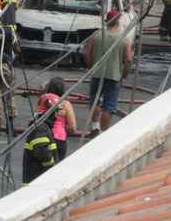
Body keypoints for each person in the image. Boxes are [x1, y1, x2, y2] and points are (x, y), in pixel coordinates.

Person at [82, 9, 133, 137]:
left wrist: (91, 67)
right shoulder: (124, 39)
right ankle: (103, 135)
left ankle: (95, 128)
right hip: (114, 76)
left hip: (97, 74)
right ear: (118, 21)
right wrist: (124, 73)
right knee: (108, 107)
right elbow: (128, 59)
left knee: (95, 101)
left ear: (106, 21)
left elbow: (86, 53)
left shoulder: (96, 35)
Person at [40, 77, 77, 161]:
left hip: (42, 137)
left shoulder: (42, 100)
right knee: (56, 167)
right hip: (58, 138)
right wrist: (64, 130)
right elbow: (72, 127)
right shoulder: (65, 104)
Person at [22, 102, 58, 185]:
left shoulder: (42, 126)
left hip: (36, 179)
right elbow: (41, 152)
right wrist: (53, 167)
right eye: (55, 112)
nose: (57, 116)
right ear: (50, 112)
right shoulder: (41, 129)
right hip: (39, 180)